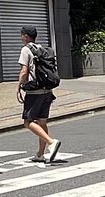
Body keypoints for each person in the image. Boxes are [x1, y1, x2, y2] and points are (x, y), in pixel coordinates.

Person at [17, 26, 61, 163]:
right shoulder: (41, 48)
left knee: (28, 122)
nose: (21, 37)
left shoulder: (26, 49)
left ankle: (51, 142)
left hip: (34, 92)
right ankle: (40, 154)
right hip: (47, 91)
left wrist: (19, 86)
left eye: (22, 35)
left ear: (25, 36)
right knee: (42, 122)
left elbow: (24, 71)